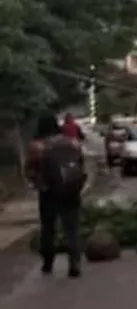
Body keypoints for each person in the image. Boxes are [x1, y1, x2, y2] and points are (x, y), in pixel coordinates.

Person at [25, 113, 88, 278]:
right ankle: (74, 263)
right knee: (72, 229)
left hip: (48, 193)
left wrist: (38, 184)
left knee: (48, 229)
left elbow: (30, 170)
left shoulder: (37, 146)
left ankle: (48, 262)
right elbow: (81, 165)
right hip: (71, 191)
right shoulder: (72, 143)